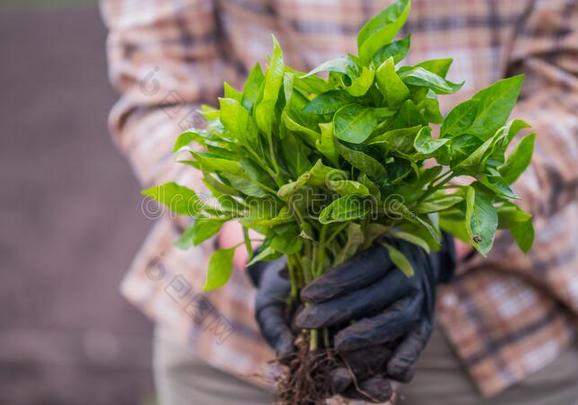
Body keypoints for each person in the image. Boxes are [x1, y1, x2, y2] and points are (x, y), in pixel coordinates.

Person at [100, 0, 578, 403]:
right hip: (236, 350)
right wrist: (257, 242)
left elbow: (566, 88)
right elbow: (159, 82)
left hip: (505, 334)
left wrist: (441, 233)